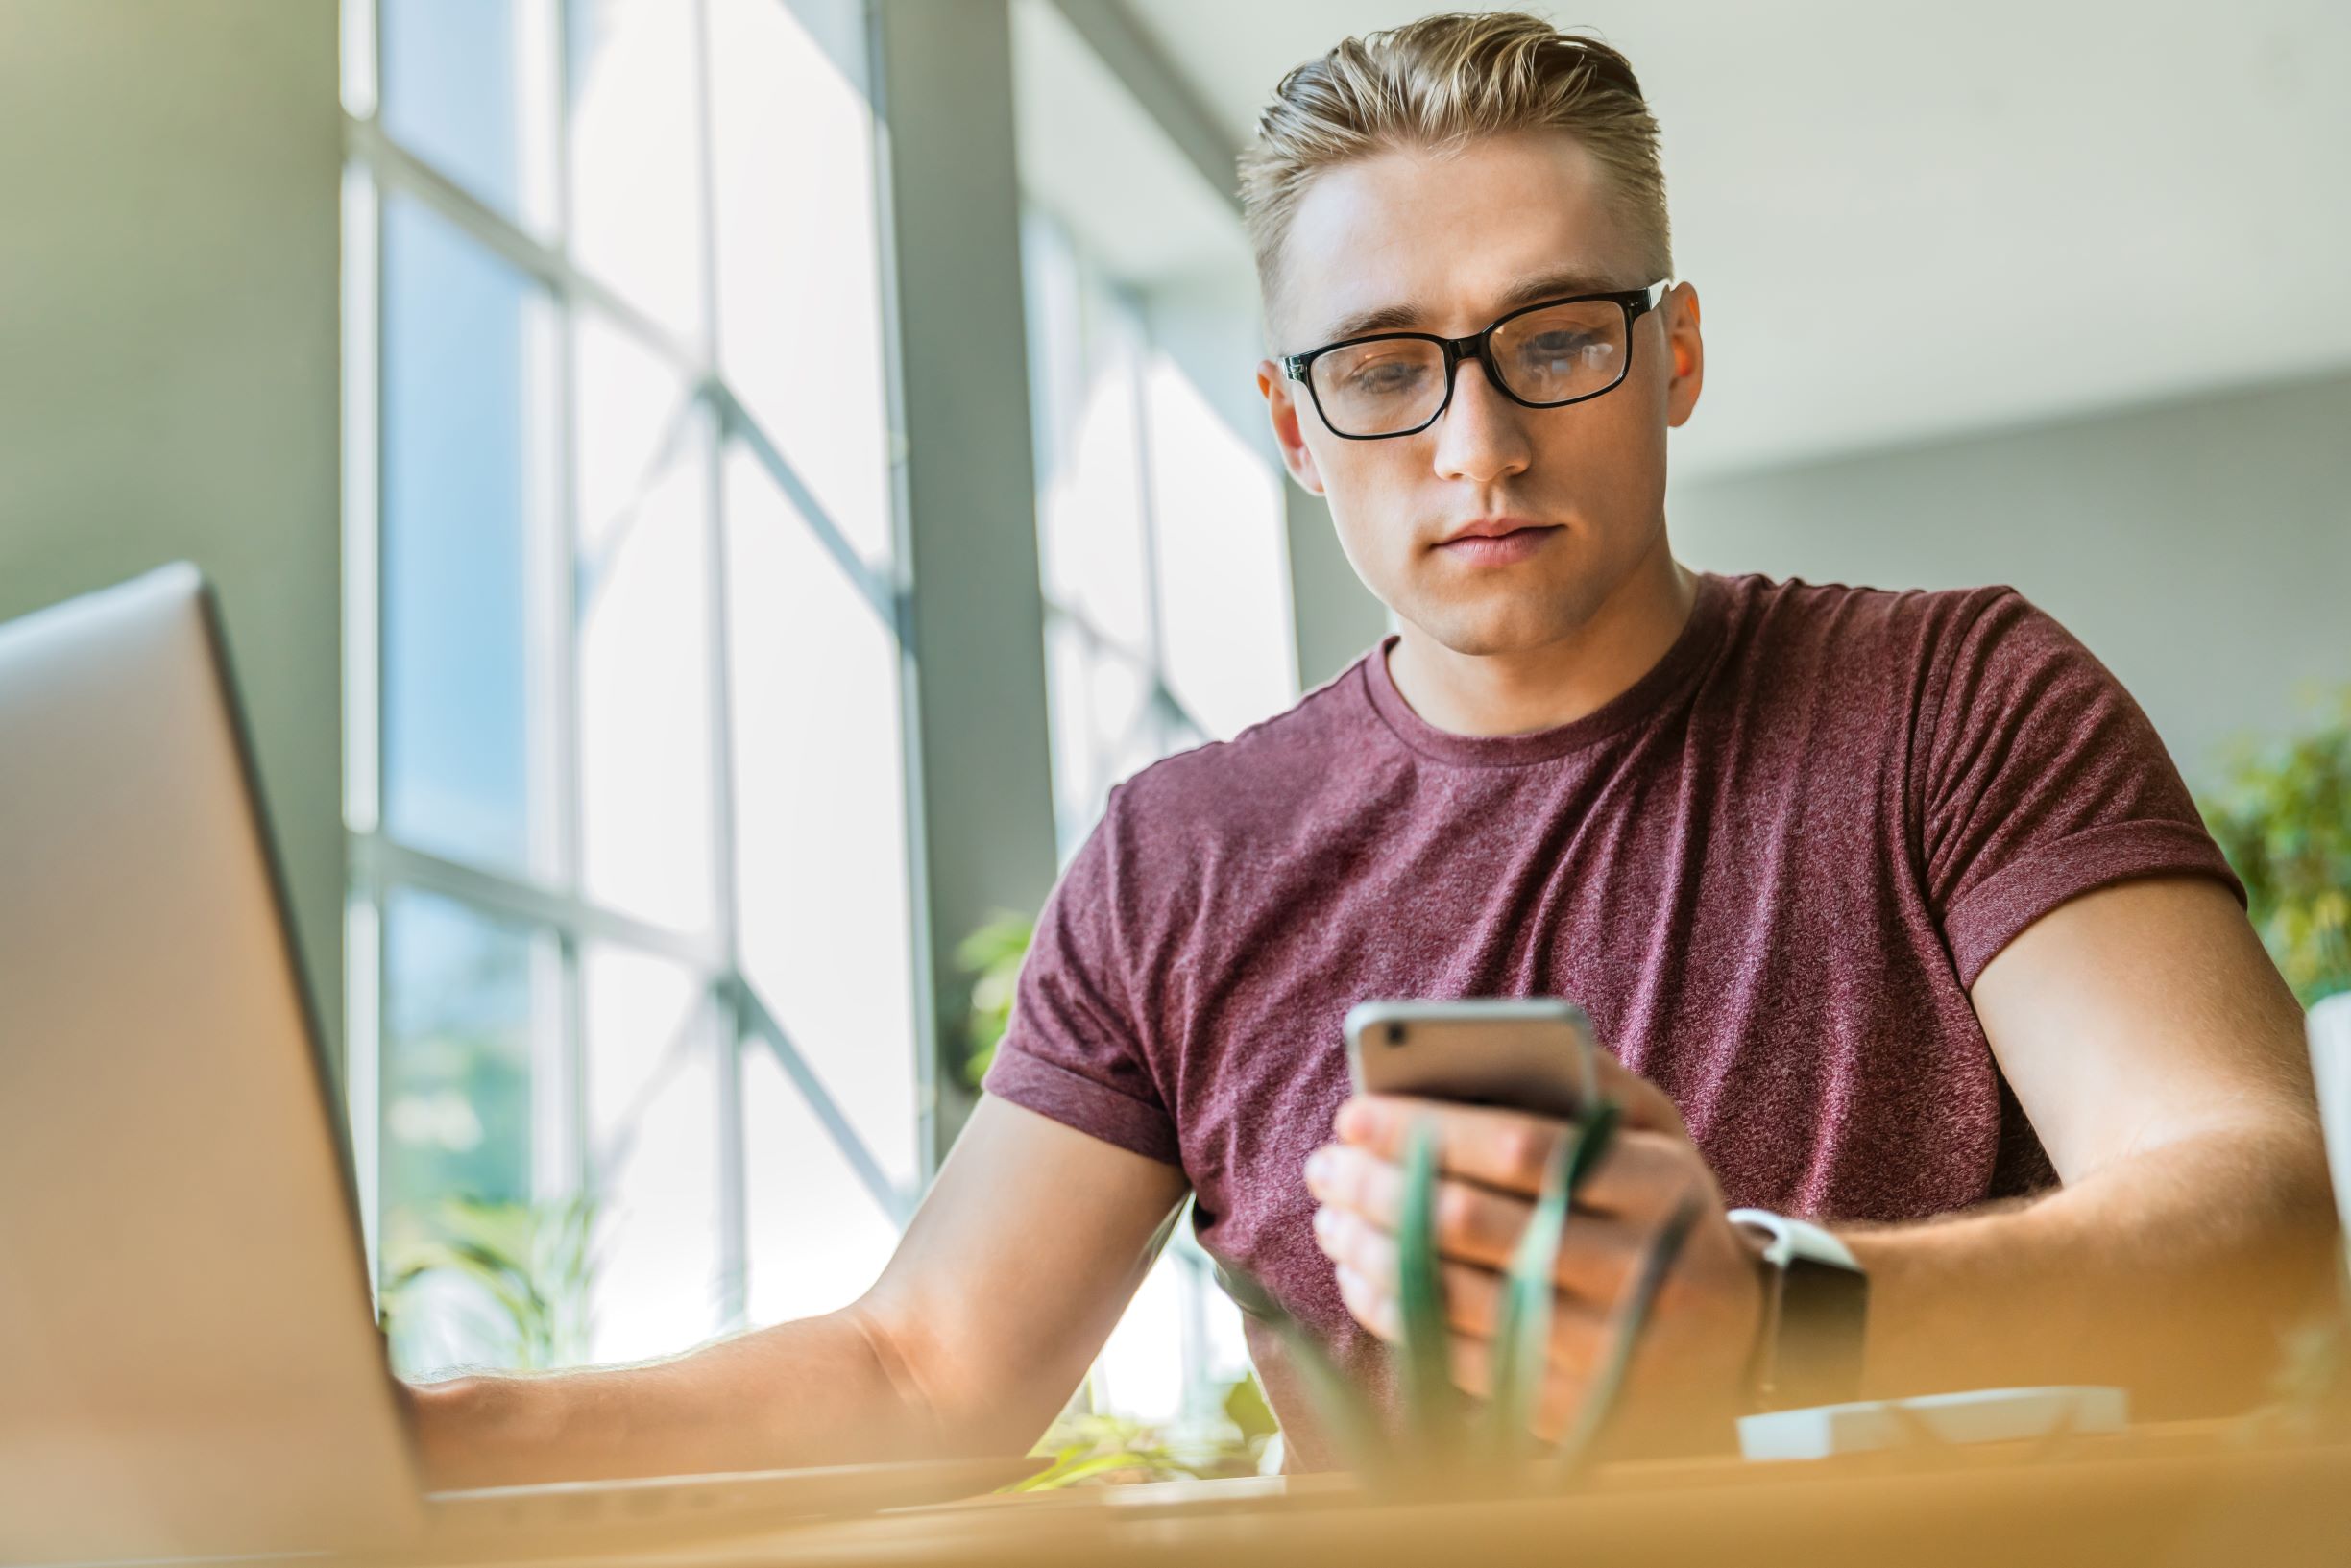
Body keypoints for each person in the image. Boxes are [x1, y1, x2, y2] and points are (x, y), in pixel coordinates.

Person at [411, 12, 2337, 1485]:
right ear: (1289, 419)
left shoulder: (1958, 702)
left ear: (1669, 355)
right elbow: (927, 1368)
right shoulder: (1182, 856)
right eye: (1387, 367)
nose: (1477, 446)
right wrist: (443, 1432)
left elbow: (2252, 1216)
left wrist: (1765, 1314)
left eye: (1555, 338)